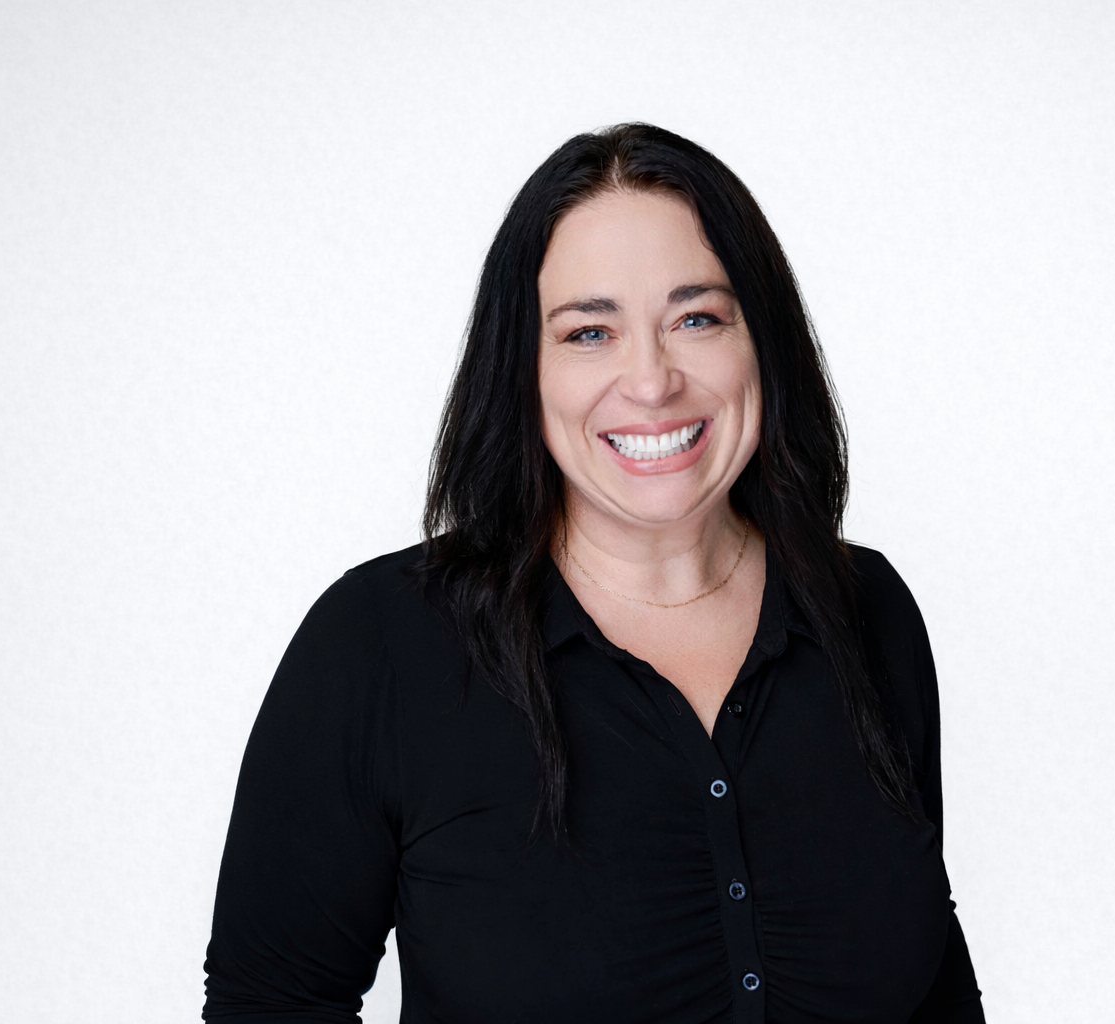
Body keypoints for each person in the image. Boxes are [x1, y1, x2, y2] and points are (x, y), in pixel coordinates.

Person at [203, 123, 984, 1023]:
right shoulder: (381, 644)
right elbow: (272, 1001)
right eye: (588, 333)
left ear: (760, 340)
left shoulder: (868, 611)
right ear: (523, 369)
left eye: (697, 318)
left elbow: (933, 984)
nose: (650, 381)